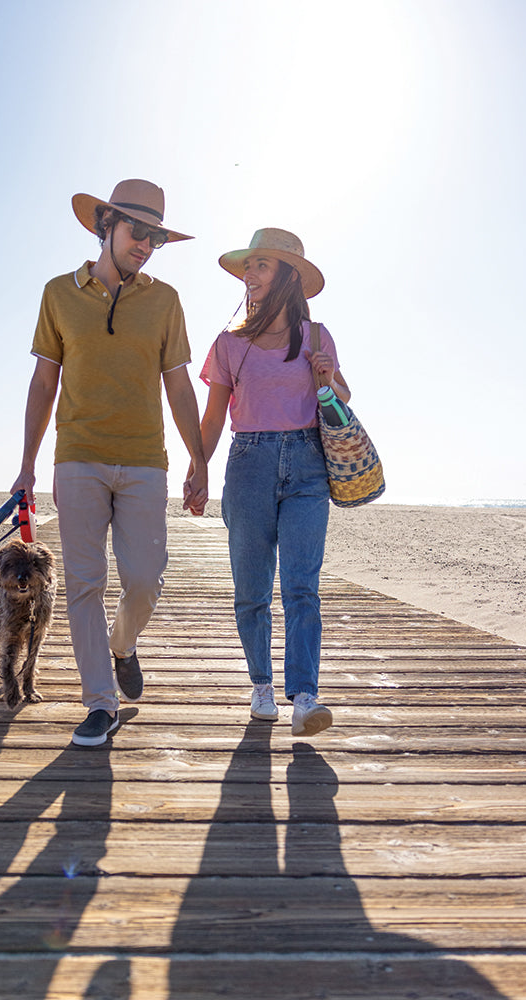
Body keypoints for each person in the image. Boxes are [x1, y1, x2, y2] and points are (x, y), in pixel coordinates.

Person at [11, 179, 209, 747]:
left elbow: (178, 386)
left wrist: (198, 458)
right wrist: (27, 463)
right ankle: (100, 702)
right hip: (78, 459)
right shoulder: (58, 294)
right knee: (83, 583)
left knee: (145, 580)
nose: (145, 244)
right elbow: (44, 381)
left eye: (155, 238)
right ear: (106, 226)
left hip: (146, 460)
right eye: (136, 232)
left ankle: (124, 644)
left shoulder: (165, 301)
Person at [193, 228, 349, 735]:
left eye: (260, 265)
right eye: (248, 266)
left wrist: (328, 376)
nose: (249, 274)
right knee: (252, 588)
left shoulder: (318, 336)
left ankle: (305, 696)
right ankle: (261, 685)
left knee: (302, 586)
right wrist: (198, 467)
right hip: (248, 463)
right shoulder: (228, 344)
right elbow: (214, 416)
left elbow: (344, 399)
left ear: (287, 276)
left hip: (309, 465)